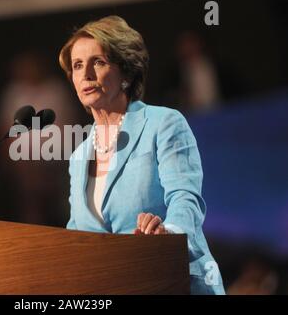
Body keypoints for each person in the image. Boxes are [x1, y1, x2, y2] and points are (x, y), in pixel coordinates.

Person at [59, 15, 225, 295]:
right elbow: (77, 235)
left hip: (173, 281)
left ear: (125, 73)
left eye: (97, 62)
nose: (85, 74)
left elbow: (185, 198)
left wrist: (168, 235)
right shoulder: (78, 157)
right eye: (77, 66)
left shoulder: (164, 124)